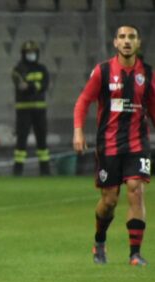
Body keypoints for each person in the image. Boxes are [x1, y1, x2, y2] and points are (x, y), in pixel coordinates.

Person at [73, 24, 155, 266]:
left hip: (137, 143)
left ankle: (135, 254)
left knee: (136, 190)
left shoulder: (147, 74)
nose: (127, 41)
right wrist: (78, 130)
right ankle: (99, 241)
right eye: (122, 37)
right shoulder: (103, 71)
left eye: (131, 37)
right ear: (115, 43)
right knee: (109, 200)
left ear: (138, 43)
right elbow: (83, 101)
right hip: (108, 145)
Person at [11, 40, 51, 176]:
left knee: (42, 139)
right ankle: (18, 170)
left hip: (40, 109)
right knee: (21, 139)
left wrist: (31, 86)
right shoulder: (18, 69)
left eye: (33, 52)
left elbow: (44, 84)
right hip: (23, 110)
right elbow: (20, 86)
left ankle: (45, 170)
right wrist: (34, 86)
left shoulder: (42, 69)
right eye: (28, 52)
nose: (31, 55)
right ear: (23, 54)